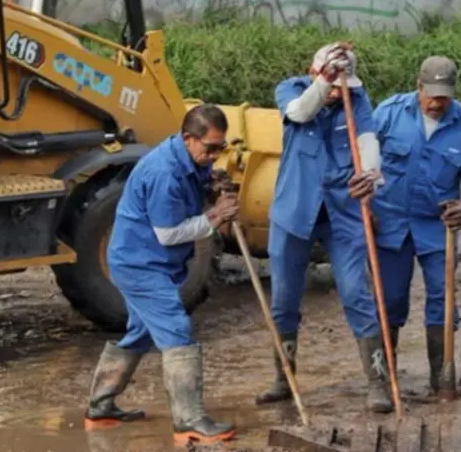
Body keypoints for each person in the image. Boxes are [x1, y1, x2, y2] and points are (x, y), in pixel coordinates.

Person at [83, 104, 241, 446]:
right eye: (210, 148)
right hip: (140, 265)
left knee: (139, 335)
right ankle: (190, 421)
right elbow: (168, 234)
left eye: (221, 148)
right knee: (177, 331)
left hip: (152, 262)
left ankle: (101, 408)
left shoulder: (188, 158)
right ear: (188, 138)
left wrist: (212, 183)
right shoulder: (164, 172)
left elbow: (197, 183)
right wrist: (215, 216)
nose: (214, 155)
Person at [255, 42, 393, 413]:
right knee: (283, 300)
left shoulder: (358, 100)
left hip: (342, 213)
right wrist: (325, 81)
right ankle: (283, 379)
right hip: (293, 213)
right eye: (332, 85)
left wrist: (371, 176)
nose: (337, 94)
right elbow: (299, 114)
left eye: (342, 88)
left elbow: (368, 144)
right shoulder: (292, 89)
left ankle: (377, 381)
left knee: (356, 294)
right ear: (312, 72)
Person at [370, 55, 461, 394]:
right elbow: (363, 159)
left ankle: (442, 377)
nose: (437, 103)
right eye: (432, 94)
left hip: (439, 223)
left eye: (445, 96)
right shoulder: (388, 113)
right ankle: (384, 379)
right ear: (417, 86)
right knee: (389, 299)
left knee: (443, 296)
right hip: (389, 221)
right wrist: (364, 205)